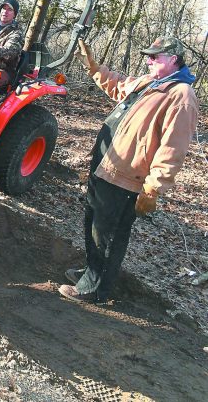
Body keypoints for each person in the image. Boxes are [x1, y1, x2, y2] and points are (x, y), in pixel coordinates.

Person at [59, 36, 199, 303]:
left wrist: (153, 188)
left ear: (173, 60)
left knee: (108, 234)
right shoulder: (150, 83)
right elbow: (118, 84)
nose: (148, 60)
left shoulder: (181, 96)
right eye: (149, 55)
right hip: (107, 166)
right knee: (94, 225)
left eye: (155, 57)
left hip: (127, 179)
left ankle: (95, 288)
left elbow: (173, 149)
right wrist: (93, 67)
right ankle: (92, 271)